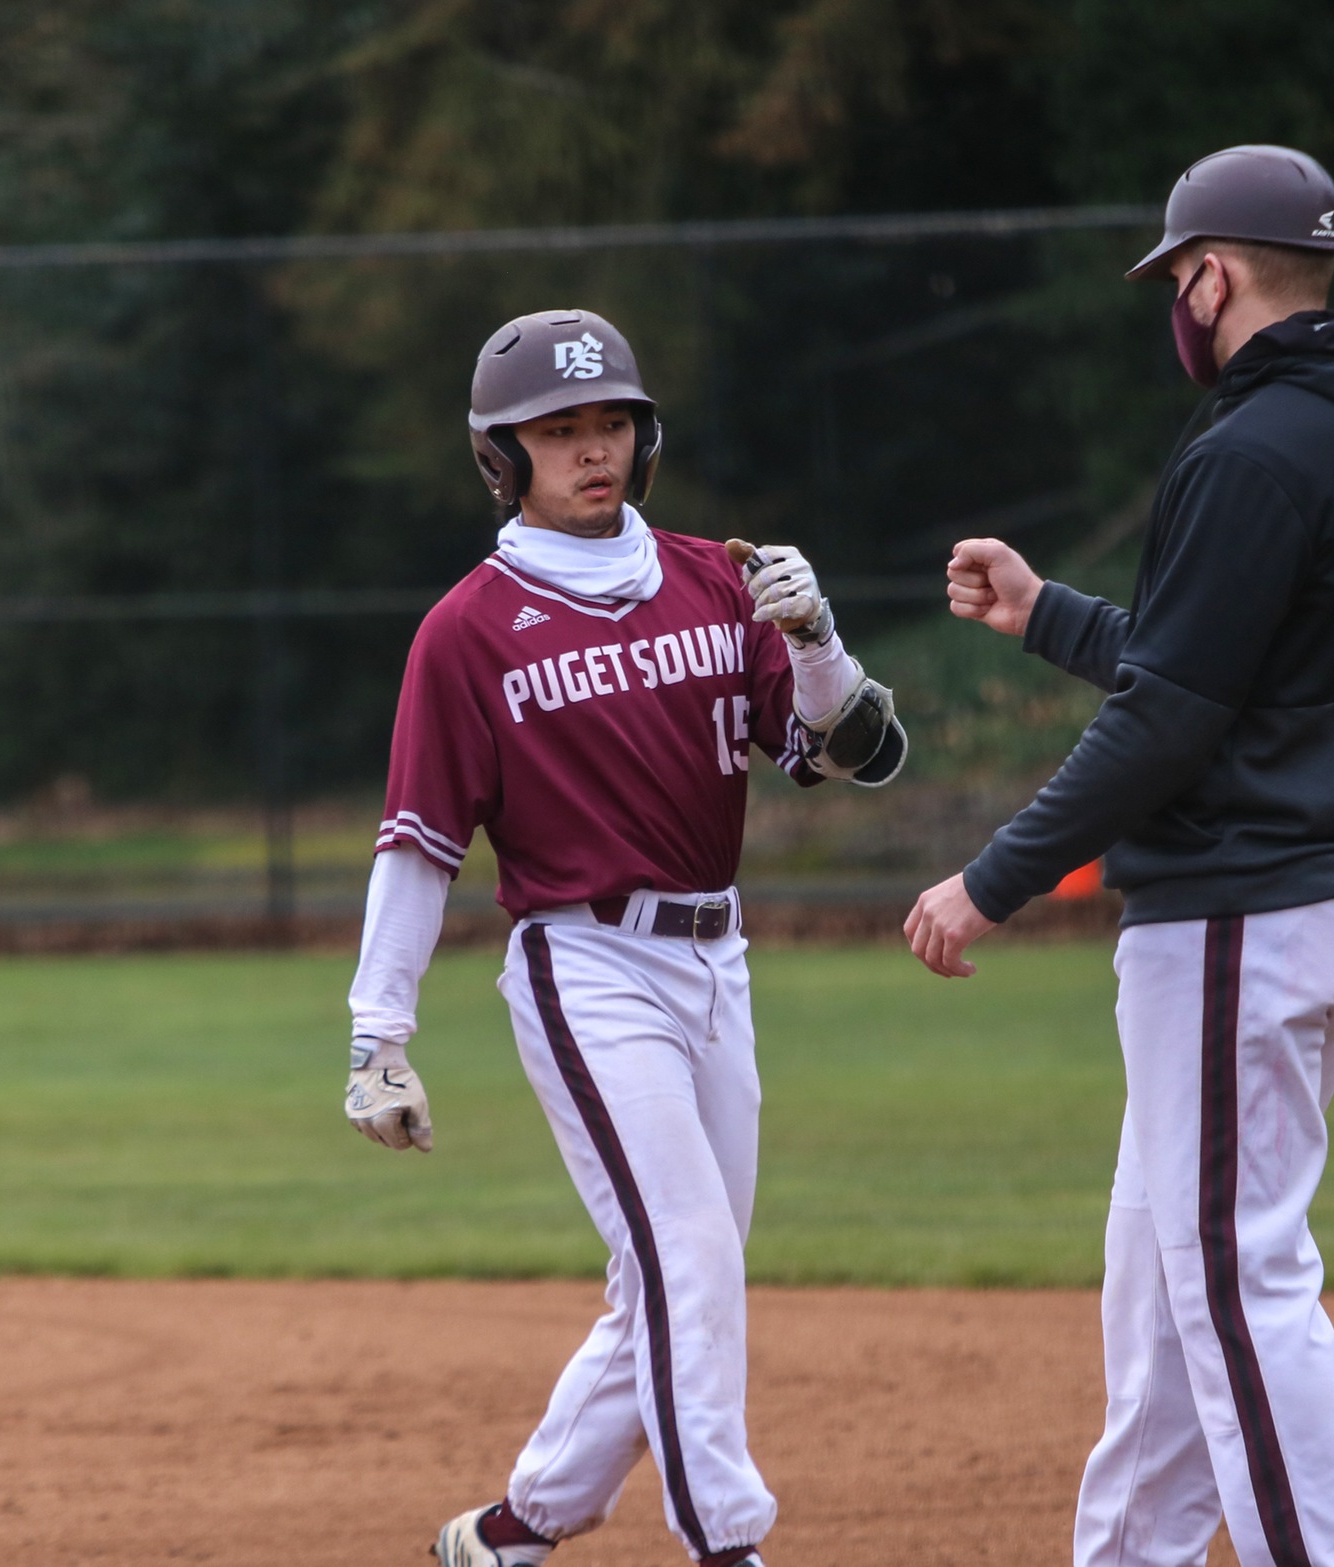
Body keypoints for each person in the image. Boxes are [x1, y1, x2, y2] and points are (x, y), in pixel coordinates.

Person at [905, 145, 1334, 1567]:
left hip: (1235, 916)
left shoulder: (1251, 448)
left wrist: (987, 877)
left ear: (1208, 275)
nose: (1172, 309)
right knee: (1161, 1283)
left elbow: (1171, 719)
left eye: (1173, 281)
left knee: (1229, 1276)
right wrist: (1048, 614)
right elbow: (1209, 669)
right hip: (1310, 897)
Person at [342, 309, 905, 1567]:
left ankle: (509, 1531)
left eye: (609, 424)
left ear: (642, 437)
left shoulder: (716, 576)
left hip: (718, 958)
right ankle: (726, 1543)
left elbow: (842, 750)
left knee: (672, 1272)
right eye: (557, 430)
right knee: (688, 1257)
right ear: (503, 455)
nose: (590, 449)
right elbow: (419, 843)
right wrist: (377, 1033)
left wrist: (815, 641)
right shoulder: (468, 630)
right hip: (584, 963)